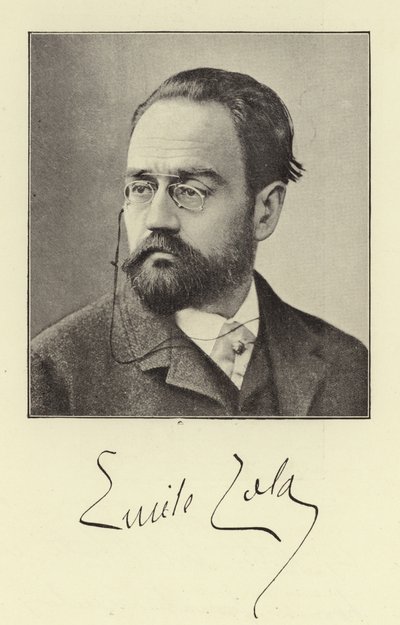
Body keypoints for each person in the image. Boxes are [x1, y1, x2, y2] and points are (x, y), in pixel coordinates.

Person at [30, 67, 368, 417]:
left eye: (191, 191)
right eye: (142, 188)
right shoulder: (54, 373)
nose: (157, 219)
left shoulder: (347, 366)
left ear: (265, 211)